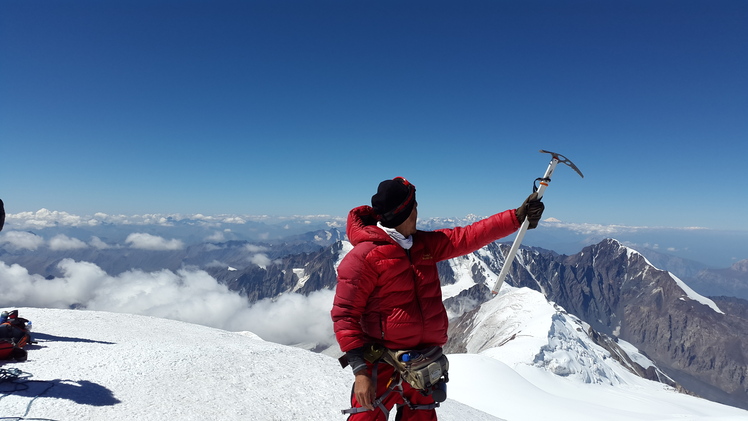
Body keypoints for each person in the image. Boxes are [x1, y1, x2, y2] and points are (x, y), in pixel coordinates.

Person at [331, 177, 544, 420]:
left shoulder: (423, 245)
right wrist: (360, 372)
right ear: (406, 213)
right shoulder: (364, 257)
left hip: (424, 363)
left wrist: (516, 217)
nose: (418, 213)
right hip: (382, 362)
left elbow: (468, 236)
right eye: (415, 207)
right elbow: (345, 315)